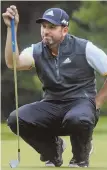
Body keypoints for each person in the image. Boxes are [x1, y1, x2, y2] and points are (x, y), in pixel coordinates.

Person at [2, 5, 107, 168]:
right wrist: (11, 29)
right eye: (43, 27)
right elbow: (13, 63)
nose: (45, 31)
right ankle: (53, 150)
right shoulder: (36, 50)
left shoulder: (84, 48)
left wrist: (97, 103)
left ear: (64, 30)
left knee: (78, 118)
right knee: (16, 119)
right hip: (52, 104)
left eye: (52, 27)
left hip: (81, 103)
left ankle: (80, 157)